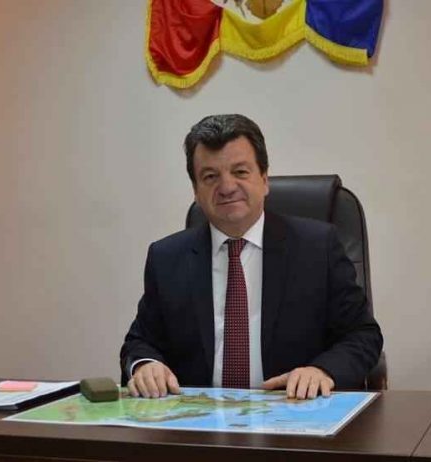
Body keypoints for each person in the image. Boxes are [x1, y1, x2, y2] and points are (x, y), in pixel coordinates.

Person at [120, 114, 383, 400]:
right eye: (210, 177)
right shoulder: (167, 258)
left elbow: (362, 334)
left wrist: (322, 371)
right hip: (198, 418)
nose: (227, 187)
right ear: (195, 191)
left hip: (293, 411)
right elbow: (140, 341)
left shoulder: (317, 248)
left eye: (240, 172)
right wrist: (145, 365)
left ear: (264, 179)